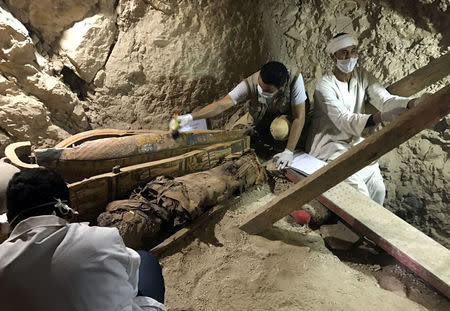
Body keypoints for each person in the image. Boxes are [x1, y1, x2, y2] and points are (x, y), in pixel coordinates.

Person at [0, 167, 166, 311]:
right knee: (145, 260)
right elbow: (131, 284)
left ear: (10, 217)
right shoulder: (100, 239)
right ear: (66, 210)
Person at [307, 33, 424, 205]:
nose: (350, 57)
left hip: (355, 144)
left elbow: (385, 99)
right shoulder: (324, 85)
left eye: (353, 51)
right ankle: (357, 230)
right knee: (360, 195)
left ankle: (371, 230)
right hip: (331, 147)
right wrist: (381, 117)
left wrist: (413, 103)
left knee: (378, 190)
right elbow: (343, 119)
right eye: (344, 53)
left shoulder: (362, 76)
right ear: (333, 57)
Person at [170, 61, 308, 169]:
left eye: (266, 90)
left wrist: (289, 151)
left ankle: (277, 146)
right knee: (234, 134)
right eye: (259, 86)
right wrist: (190, 117)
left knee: (279, 129)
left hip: (282, 117)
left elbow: (299, 117)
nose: (260, 90)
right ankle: (260, 138)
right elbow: (221, 104)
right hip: (260, 115)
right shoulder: (253, 81)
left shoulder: (294, 81)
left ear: (282, 87)